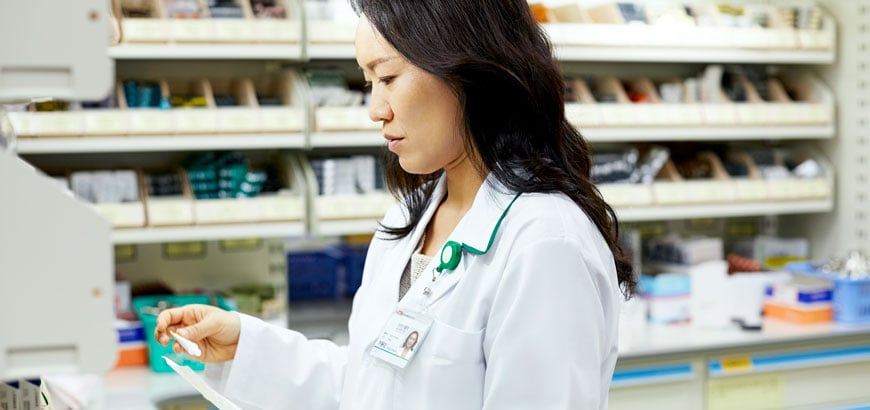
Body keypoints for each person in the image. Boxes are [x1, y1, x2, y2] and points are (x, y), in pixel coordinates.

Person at [155, 0, 636, 408]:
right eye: (369, 82)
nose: (375, 108)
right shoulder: (409, 219)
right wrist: (245, 347)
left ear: (465, 69)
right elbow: (374, 381)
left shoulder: (546, 244)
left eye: (387, 77)